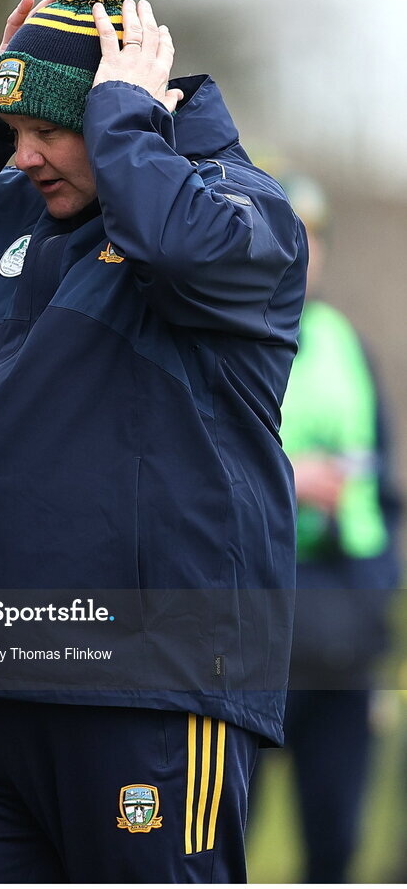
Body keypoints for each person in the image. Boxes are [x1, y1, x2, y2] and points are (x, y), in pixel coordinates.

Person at [0, 0, 307, 883]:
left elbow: (173, 241)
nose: (23, 155)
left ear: (128, 111)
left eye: (49, 129)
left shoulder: (247, 215)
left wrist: (128, 115)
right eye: (14, 130)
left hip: (148, 698)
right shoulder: (12, 214)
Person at [250, 173, 401, 883]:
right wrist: (290, 479)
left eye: (312, 237)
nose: (300, 252)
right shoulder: (222, 337)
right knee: (219, 842)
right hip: (248, 640)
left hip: (343, 642)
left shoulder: (349, 349)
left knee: (334, 846)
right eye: (287, 234)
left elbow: (381, 489)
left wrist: (376, 595)